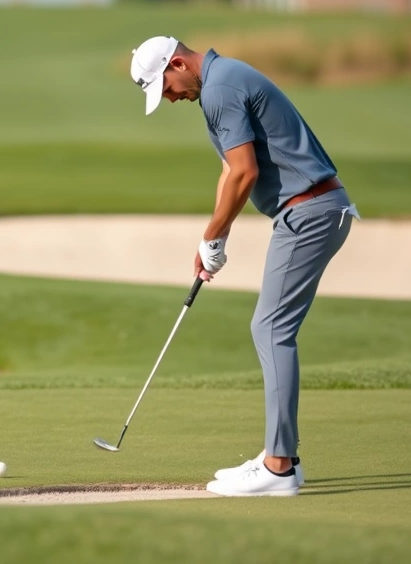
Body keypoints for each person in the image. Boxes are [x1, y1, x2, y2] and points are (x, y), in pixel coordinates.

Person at [129, 36, 360, 497]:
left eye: (167, 87)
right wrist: (211, 238)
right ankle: (283, 458)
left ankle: (278, 469)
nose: (171, 98)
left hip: (309, 211)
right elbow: (229, 172)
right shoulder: (220, 82)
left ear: (177, 63)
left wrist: (215, 234)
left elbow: (245, 174)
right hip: (310, 210)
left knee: (270, 328)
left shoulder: (220, 88)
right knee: (271, 327)